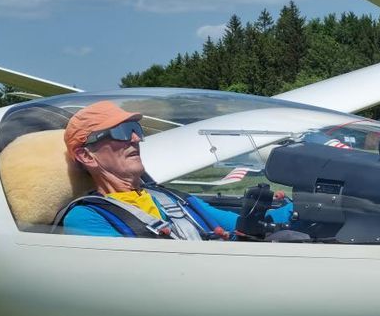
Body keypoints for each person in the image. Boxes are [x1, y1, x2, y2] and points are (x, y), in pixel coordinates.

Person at [57, 100, 291, 239]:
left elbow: (240, 225)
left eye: (135, 128)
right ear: (86, 155)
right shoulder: (87, 218)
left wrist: (301, 205)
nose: (136, 138)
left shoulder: (170, 198)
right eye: (121, 132)